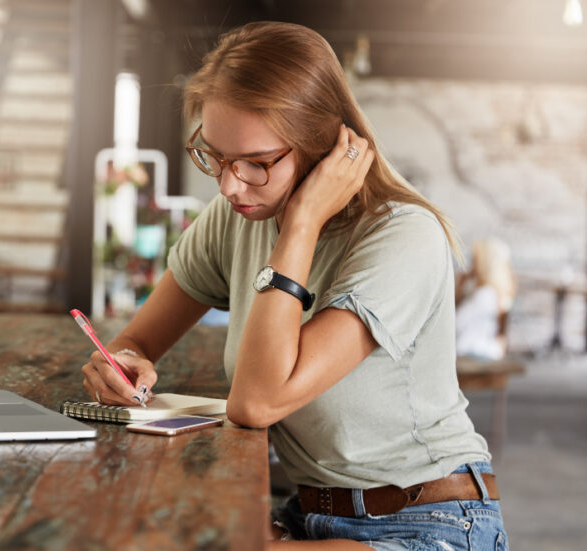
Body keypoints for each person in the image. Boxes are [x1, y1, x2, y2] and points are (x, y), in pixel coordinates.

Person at [80, 21, 508, 550]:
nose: (230, 184)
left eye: (257, 164)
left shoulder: (403, 237)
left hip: (430, 521)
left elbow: (258, 402)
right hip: (307, 514)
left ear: (323, 145)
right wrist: (120, 360)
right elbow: (138, 342)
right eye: (214, 155)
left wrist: (303, 223)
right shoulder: (236, 214)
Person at [455, 239, 517, 360]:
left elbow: (456, 324)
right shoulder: (494, 293)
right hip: (487, 351)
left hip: (474, 352)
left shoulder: (484, 294)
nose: (471, 265)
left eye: (474, 260)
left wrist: (459, 288)